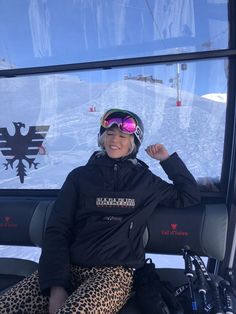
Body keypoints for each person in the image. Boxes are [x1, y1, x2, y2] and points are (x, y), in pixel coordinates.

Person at [0, 108, 201, 314]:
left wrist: (166, 160)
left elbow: (189, 195)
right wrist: (56, 287)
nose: (115, 140)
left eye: (123, 136)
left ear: (133, 143)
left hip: (114, 274)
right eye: (110, 134)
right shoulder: (80, 177)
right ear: (102, 138)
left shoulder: (145, 182)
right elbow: (58, 230)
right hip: (68, 267)